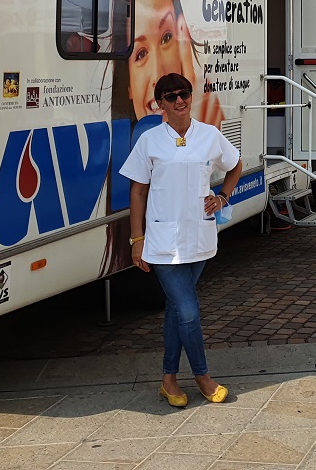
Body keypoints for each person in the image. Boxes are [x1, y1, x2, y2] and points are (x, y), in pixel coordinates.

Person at [121, 72, 243, 408]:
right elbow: (137, 191)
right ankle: (203, 376)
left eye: (184, 93)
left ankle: (168, 379)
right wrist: (136, 240)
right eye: (171, 96)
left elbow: (234, 166)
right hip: (161, 241)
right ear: (159, 104)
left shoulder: (209, 135)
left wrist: (223, 197)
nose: (180, 100)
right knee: (188, 311)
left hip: (199, 237)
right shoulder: (149, 141)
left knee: (177, 310)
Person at [113, 0, 225, 130]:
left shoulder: (208, 117)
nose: (158, 74)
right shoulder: (139, 153)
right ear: (128, 85)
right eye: (140, 54)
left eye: (166, 38)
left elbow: (232, 160)